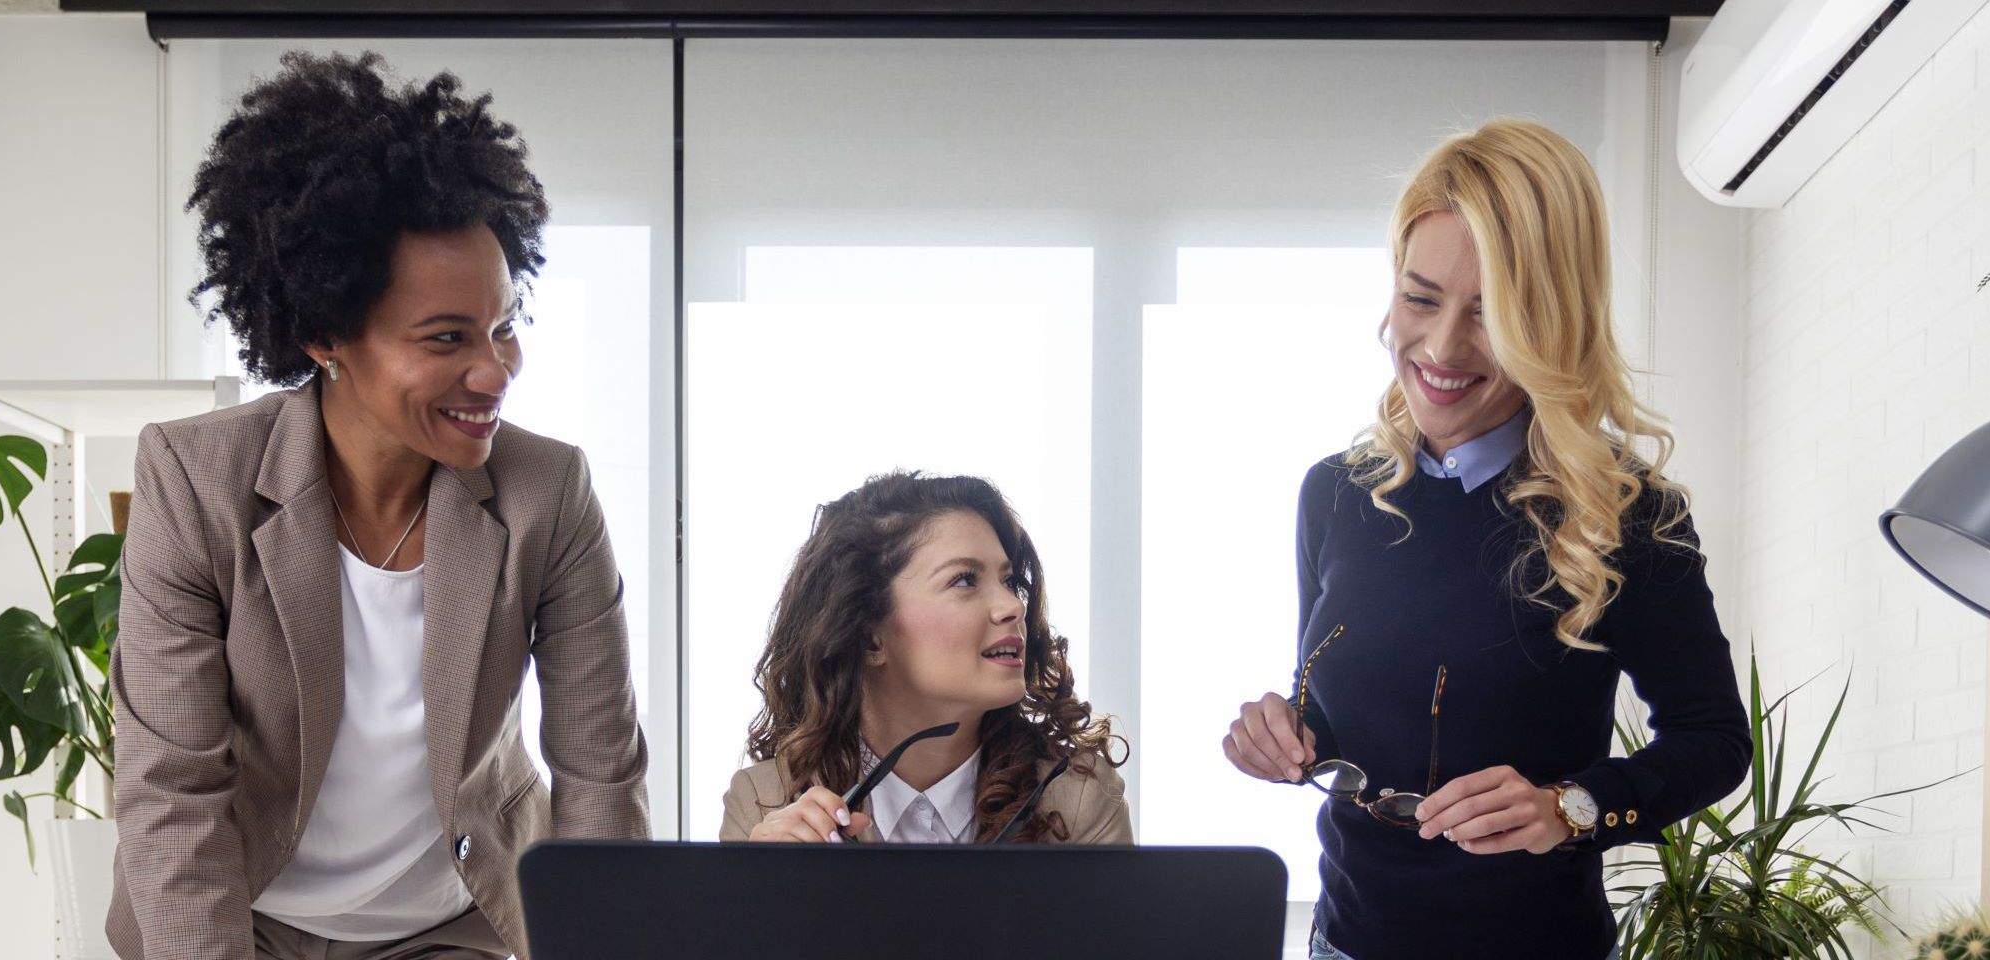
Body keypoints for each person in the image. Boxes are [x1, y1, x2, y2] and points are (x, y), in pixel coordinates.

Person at [107, 51, 647, 960]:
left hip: (453, 925)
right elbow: (172, 794)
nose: (495, 371)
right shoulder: (197, 480)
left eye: (504, 326)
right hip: (246, 918)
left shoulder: (548, 492)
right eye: (446, 339)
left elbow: (600, 774)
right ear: (326, 336)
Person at [1221, 118, 1753, 960]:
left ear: (1553, 323)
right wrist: (1286, 731)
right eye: (1420, 298)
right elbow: (1331, 697)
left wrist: (1570, 807)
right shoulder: (1334, 493)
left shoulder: (1627, 513)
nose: (1441, 347)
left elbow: (1714, 739)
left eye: (1491, 314)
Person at [723, 472, 1129, 845]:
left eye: (1008, 581)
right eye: (965, 580)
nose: (1013, 606)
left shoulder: (1080, 800)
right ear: (870, 639)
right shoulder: (764, 804)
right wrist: (769, 883)